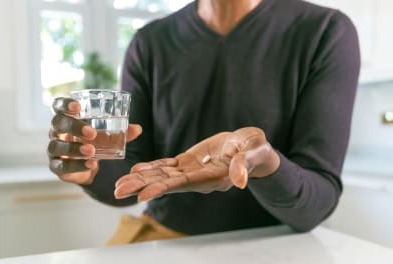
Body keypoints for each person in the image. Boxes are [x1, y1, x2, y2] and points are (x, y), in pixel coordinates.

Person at [48, 0, 360, 245]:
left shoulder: (325, 32)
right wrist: (90, 167)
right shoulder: (150, 43)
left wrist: (267, 166)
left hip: (273, 248)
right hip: (164, 238)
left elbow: (316, 203)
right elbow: (132, 173)